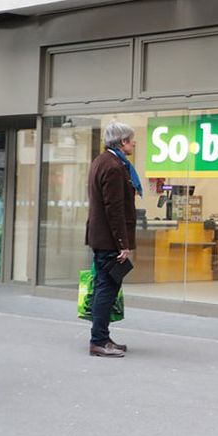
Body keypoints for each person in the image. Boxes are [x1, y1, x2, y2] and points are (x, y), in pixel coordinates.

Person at [85, 121, 141, 358]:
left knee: (104, 287)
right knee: (106, 289)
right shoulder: (115, 167)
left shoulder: (101, 161)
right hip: (109, 240)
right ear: (122, 142)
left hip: (101, 237)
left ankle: (103, 337)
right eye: (131, 139)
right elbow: (114, 209)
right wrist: (123, 244)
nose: (134, 143)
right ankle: (98, 341)